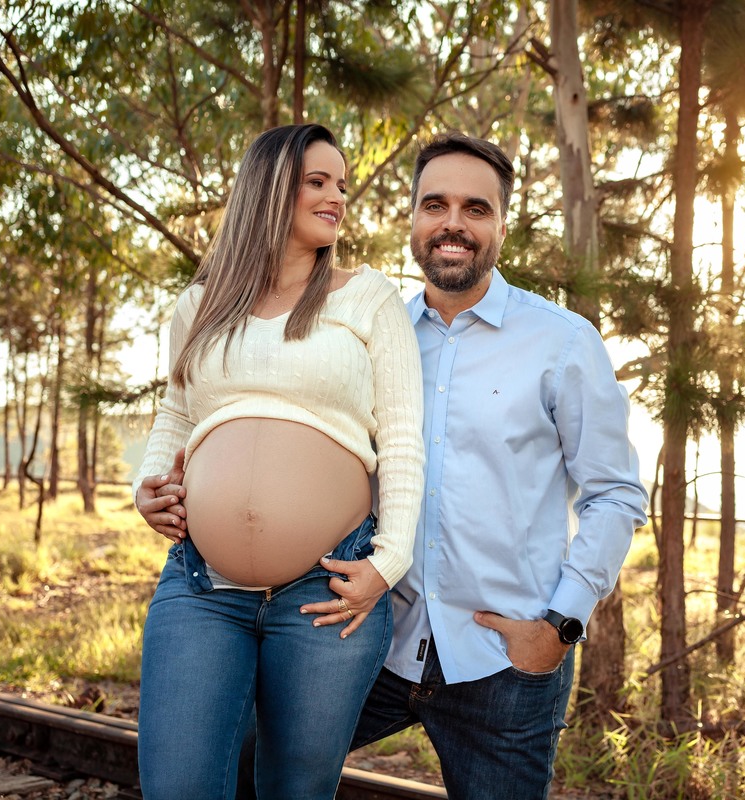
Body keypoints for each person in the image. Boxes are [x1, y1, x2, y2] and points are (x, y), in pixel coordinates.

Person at [300, 133, 650, 798]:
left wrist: (559, 627)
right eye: (435, 205)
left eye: (475, 208)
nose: (452, 224)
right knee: (248, 764)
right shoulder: (376, 337)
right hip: (372, 641)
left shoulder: (563, 342)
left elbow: (614, 493)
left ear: (502, 226)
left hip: (505, 664)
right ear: (413, 220)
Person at [131, 123, 424, 800]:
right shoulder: (199, 304)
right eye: (317, 182)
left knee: (297, 789)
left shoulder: (367, 298)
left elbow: (404, 439)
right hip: (202, 584)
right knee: (177, 786)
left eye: (341, 185)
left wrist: (388, 562)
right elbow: (176, 415)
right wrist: (148, 487)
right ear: (268, 189)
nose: (337, 198)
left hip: (328, 592)